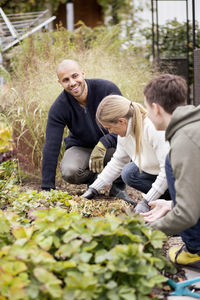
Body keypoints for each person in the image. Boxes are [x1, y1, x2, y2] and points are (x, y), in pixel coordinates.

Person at [41, 59, 131, 203]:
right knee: (70, 171)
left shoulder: (106, 89)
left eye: (75, 76)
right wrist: (47, 188)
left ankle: (118, 188)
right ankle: (94, 181)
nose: (72, 83)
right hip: (81, 147)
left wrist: (104, 143)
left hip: (111, 146)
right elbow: (51, 146)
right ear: (60, 83)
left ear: (83, 73)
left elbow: (127, 125)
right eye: (66, 80)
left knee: (129, 146)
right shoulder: (59, 107)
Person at [142, 73, 200, 269]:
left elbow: (187, 215)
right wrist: (170, 203)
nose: (148, 116)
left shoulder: (185, 141)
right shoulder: (194, 126)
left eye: (148, 109)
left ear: (156, 108)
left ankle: (196, 251)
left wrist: (145, 232)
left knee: (169, 163)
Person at [82, 95, 170, 208]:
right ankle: (165, 198)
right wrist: (93, 189)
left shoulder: (154, 129)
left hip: (179, 178)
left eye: (109, 127)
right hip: (158, 172)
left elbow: (168, 171)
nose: (109, 132)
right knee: (129, 173)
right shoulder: (124, 135)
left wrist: (146, 201)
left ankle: (173, 201)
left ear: (121, 121)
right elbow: (117, 162)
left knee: (130, 171)